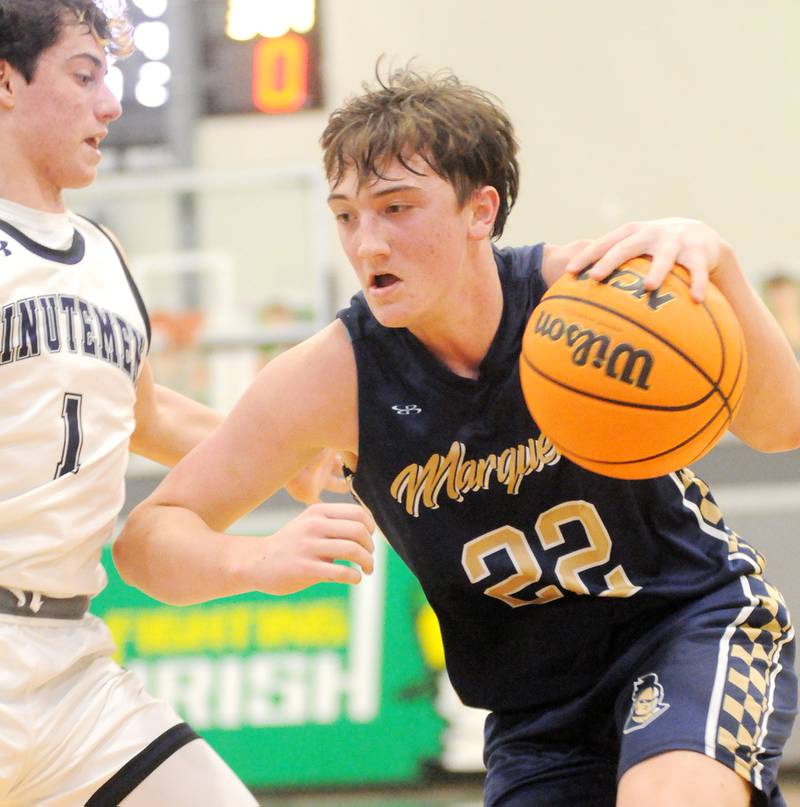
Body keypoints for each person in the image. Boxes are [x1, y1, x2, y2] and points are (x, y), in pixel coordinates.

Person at [116, 66, 800, 806]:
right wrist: (250, 559)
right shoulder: (330, 377)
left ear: (482, 209)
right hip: (537, 706)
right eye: (346, 215)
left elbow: (778, 425)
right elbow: (150, 537)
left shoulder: (590, 293)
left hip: (685, 621)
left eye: (396, 207)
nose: (366, 241)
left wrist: (719, 263)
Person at [0, 1, 360, 803]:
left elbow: (150, 416)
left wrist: (281, 457)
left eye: (112, 79)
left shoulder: (105, 256)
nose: (111, 104)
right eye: (84, 76)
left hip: (71, 669)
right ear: (5, 83)